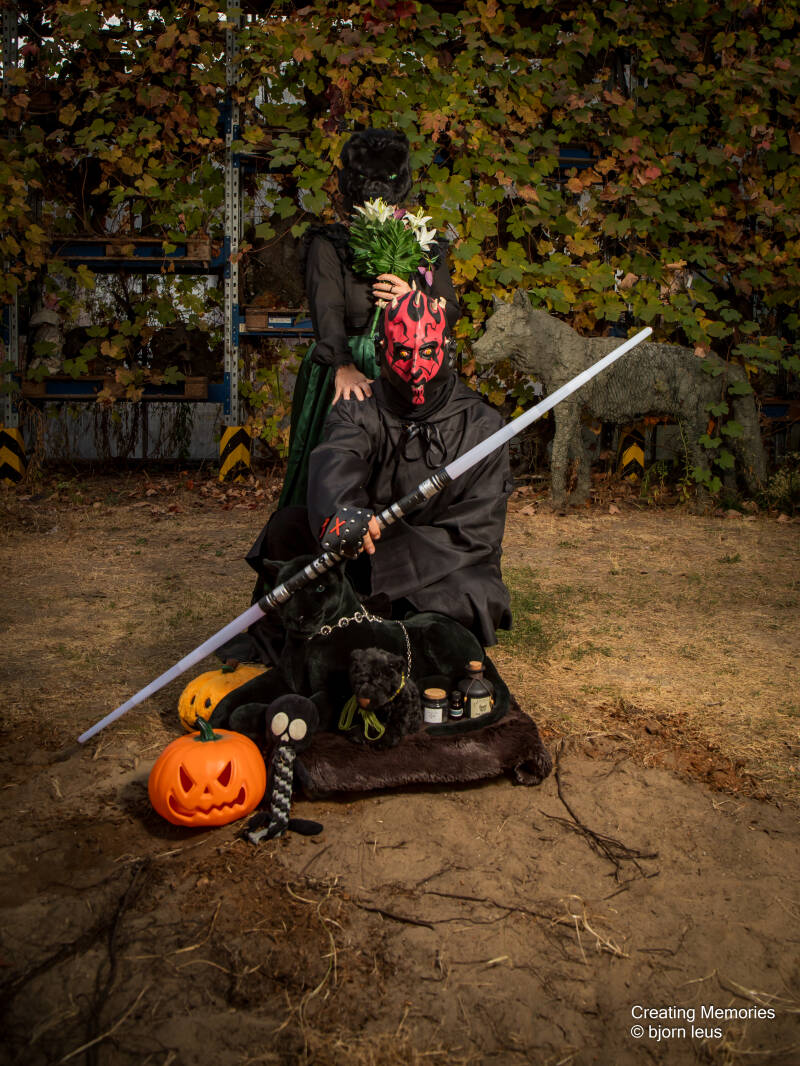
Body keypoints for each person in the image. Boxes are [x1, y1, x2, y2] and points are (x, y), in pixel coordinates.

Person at [257, 289, 513, 649]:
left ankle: (370, 622)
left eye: (427, 352)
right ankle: (362, 621)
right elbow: (336, 459)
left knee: (472, 593)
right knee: (286, 528)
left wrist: (389, 555)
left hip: (439, 563)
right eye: (403, 353)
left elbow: (477, 529)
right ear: (382, 351)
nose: (415, 368)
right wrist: (343, 515)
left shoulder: (482, 425)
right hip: (360, 551)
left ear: (447, 349)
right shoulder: (358, 407)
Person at [278, 127, 460, 507]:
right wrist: (342, 367)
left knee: (408, 471)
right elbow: (327, 310)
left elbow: (450, 310)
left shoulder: (424, 243)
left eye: (387, 178)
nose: (377, 187)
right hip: (350, 366)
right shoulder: (329, 243)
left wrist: (413, 298)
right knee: (340, 470)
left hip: (410, 369)